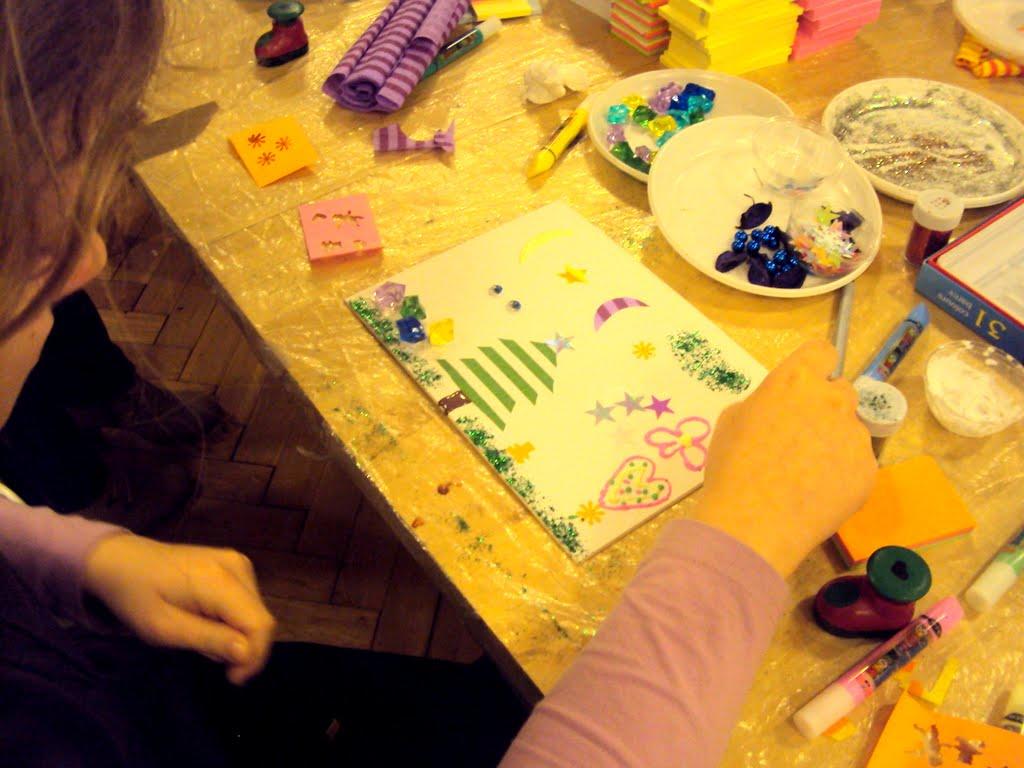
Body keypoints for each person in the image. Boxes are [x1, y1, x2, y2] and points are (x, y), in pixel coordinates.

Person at [0, 1, 877, 766]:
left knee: (502, 692)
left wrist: (67, 554)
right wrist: (746, 536)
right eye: (28, 250)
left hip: (143, 669)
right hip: (139, 720)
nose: (91, 260)